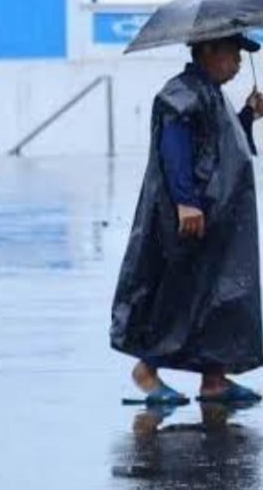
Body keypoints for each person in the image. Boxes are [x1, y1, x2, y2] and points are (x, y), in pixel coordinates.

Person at [112, 33, 263, 405]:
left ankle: (215, 379)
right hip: (193, 214)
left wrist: (248, 115)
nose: (239, 62)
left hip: (220, 215)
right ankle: (146, 370)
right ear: (209, 50)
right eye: (233, 53)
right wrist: (185, 202)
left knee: (219, 297)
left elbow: (223, 144)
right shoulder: (182, 92)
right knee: (181, 293)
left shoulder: (210, 93)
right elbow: (174, 148)